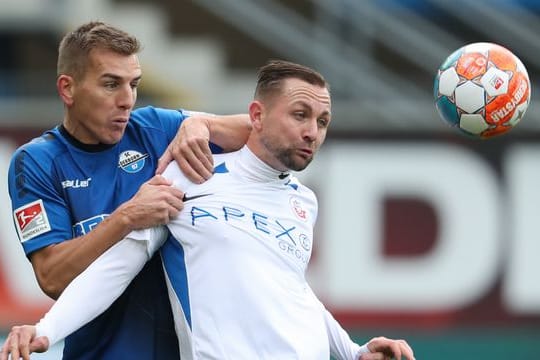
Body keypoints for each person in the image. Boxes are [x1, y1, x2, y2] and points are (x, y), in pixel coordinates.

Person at [2, 60, 415, 360]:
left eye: (323, 121)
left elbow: (291, 290)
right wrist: (46, 330)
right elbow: (115, 268)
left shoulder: (303, 200)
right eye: (300, 115)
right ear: (256, 115)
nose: (312, 132)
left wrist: (353, 350)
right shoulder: (190, 175)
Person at [4, 21, 251, 359]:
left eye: (133, 84)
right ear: (67, 89)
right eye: (111, 84)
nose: (127, 100)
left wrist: (202, 124)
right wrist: (127, 217)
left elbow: (266, 135)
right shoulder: (36, 162)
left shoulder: (155, 127)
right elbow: (53, 277)